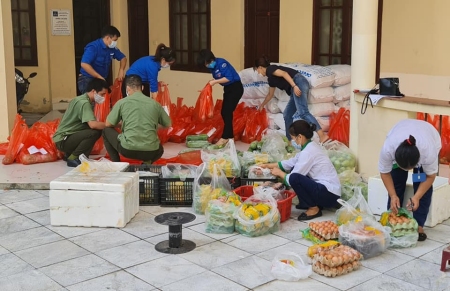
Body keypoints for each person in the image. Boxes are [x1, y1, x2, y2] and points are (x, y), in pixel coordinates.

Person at [259, 120, 341, 220]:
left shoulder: (308, 152)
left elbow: (292, 179)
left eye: (294, 138)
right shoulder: (309, 147)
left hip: (329, 194)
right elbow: (290, 162)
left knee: (294, 177)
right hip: (325, 190)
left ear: (300, 137)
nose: (293, 141)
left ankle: (314, 208)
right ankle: (307, 202)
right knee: (294, 169)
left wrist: (279, 173)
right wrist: (267, 166)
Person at [379, 119, 441, 241]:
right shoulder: (388, 149)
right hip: (401, 131)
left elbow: (430, 177)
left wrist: (416, 197)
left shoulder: (428, 152)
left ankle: (419, 225)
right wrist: (393, 195)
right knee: (396, 182)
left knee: (422, 186)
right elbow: (385, 173)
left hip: (429, 135)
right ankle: (392, 220)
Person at [254, 56, 329, 143]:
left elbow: (284, 74)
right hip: (295, 87)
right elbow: (270, 94)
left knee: (303, 112)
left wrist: (294, 86)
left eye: (257, 70)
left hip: (298, 83)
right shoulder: (271, 79)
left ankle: (322, 135)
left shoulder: (270, 69)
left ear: (260, 67)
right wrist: (262, 105)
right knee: (287, 114)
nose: (258, 73)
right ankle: (289, 141)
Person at [103, 75, 171, 163]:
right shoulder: (155, 104)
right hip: (151, 151)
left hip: (127, 149)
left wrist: (123, 124)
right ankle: (146, 165)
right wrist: (151, 125)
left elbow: (108, 124)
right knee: (159, 149)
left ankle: (117, 164)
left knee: (106, 130)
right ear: (142, 87)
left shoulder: (121, 102)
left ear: (127, 88)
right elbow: (168, 124)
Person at [53, 78, 109, 167]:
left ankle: (70, 153)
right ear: (94, 91)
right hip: (64, 140)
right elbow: (93, 125)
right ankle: (73, 158)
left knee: (90, 129)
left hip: (64, 138)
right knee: (95, 132)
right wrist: (111, 124)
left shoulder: (79, 99)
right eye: (102, 94)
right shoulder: (84, 103)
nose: (102, 98)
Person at [197, 49, 243, 146]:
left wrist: (214, 82)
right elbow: (217, 78)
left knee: (226, 112)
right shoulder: (212, 68)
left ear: (211, 59)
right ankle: (230, 137)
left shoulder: (221, 63)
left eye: (207, 63)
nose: (207, 66)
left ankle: (225, 137)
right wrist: (206, 89)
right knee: (225, 112)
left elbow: (229, 78)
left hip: (235, 88)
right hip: (228, 89)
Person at [78, 26, 127, 94]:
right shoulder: (93, 47)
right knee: (91, 102)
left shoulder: (111, 48)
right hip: (88, 79)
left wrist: (121, 70)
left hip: (101, 79)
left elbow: (123, 58)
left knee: (102, 101)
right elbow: (84, 64)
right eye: (114, 40)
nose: (115, 42)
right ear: (107, 38)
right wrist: (98, 76)